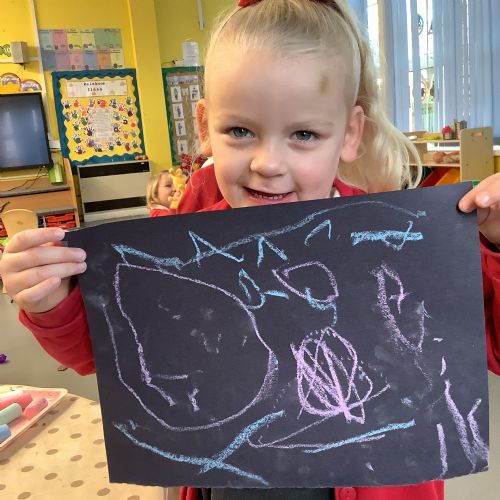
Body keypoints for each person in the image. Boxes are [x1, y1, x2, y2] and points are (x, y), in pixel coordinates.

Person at [0, 0, 499, 499]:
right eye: (240, 131)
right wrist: (51, 301)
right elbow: (109, 355)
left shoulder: (400, 243)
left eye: (304, 134)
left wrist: (496, 245)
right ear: (204, 126)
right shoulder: (180, 246)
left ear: (349, 134)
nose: (267, 163)